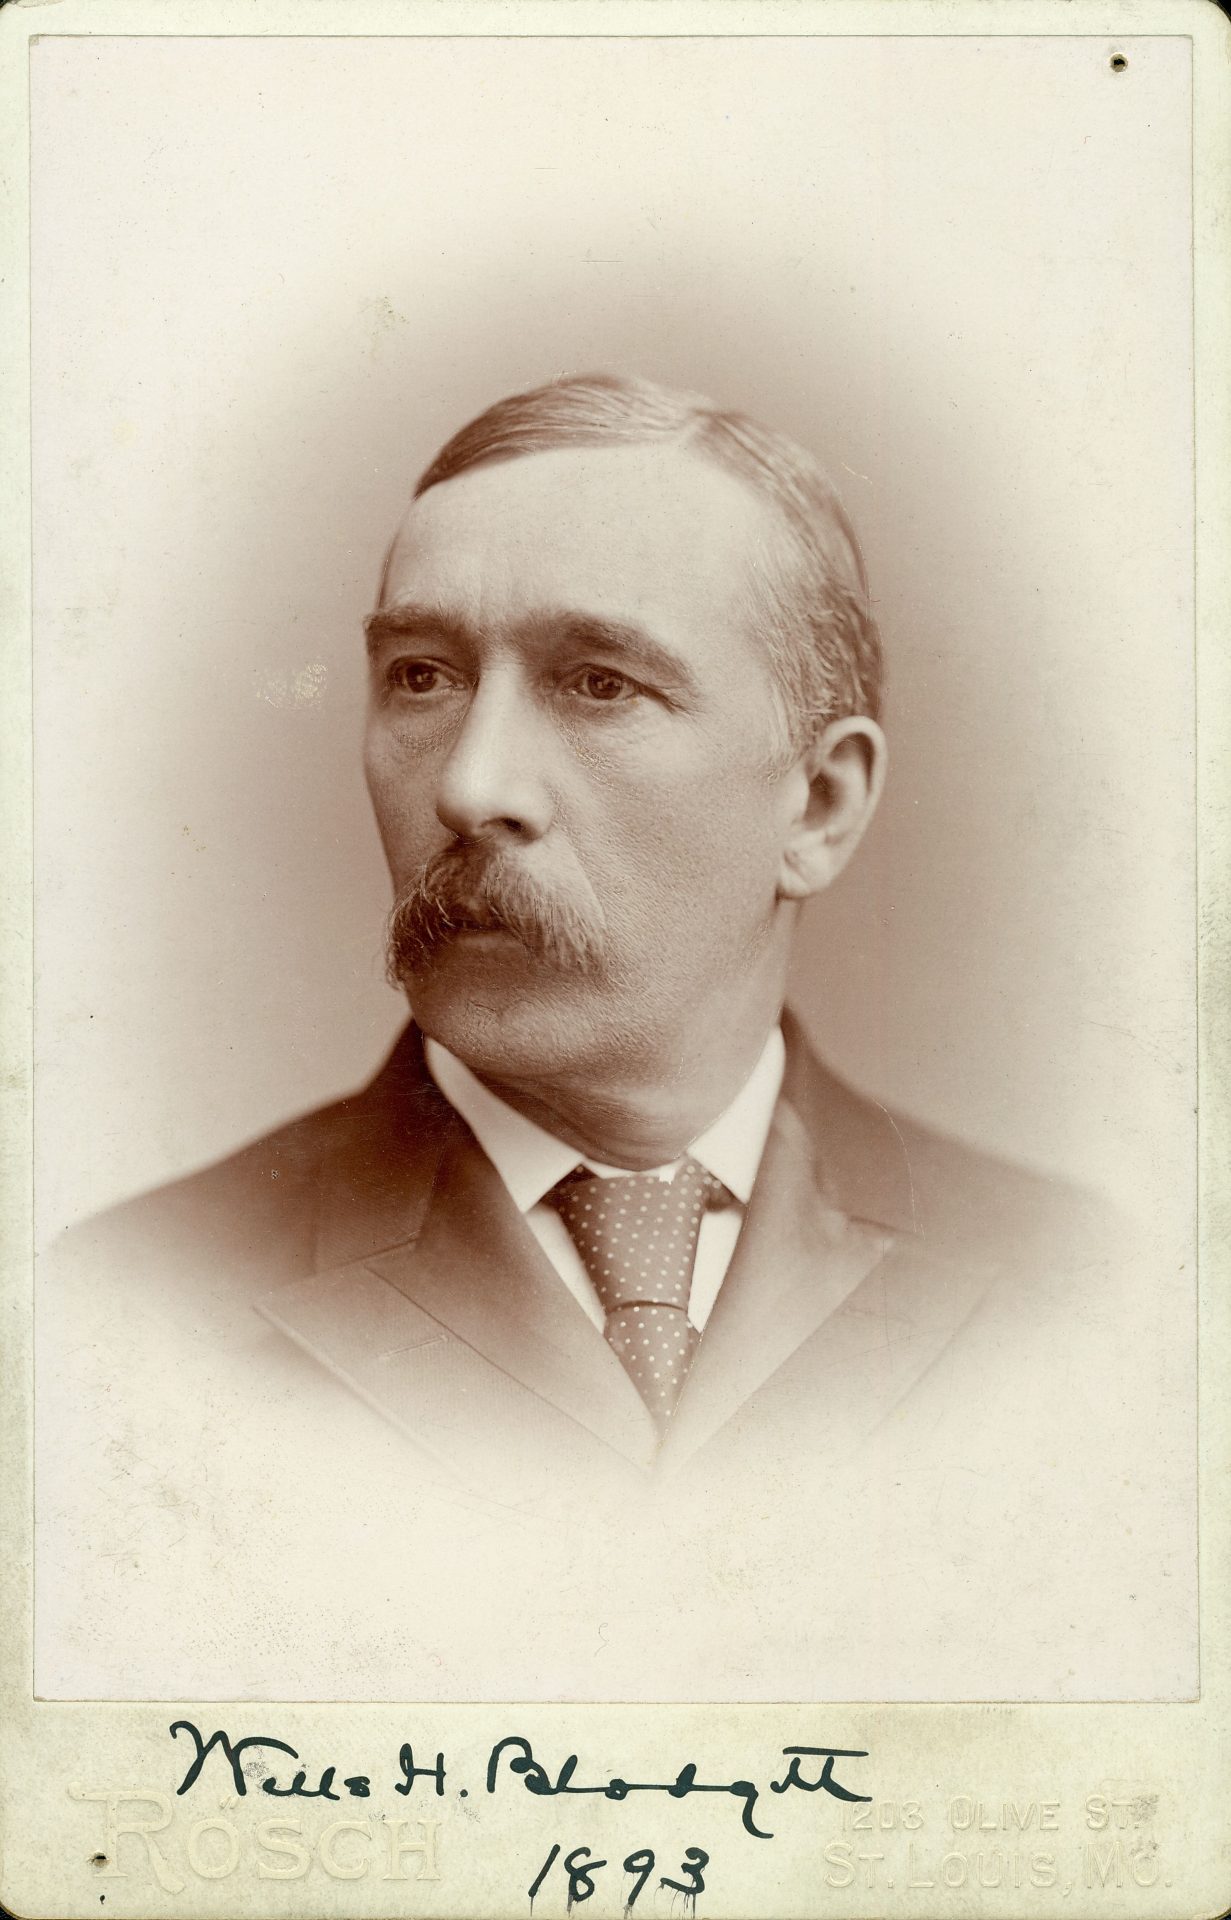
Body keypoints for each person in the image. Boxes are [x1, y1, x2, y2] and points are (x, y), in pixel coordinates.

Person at [37, 374, 1175, 1704]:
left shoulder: (1086, 1297)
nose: (471, 786)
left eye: (599, 684)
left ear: (819, 804)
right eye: (421, 677)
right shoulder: (125, 1312)